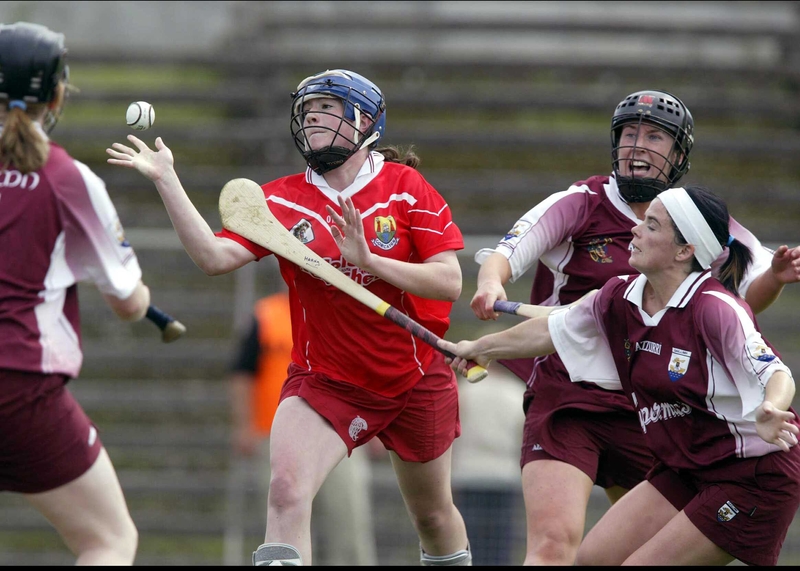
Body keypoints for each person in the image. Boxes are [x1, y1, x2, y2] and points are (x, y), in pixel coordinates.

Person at [106, 69, 472, 566]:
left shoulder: (406, 189)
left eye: (327, 108)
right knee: (285, 492)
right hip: (326, 380)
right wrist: (167, 181)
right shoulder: (279, 200)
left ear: (365, 122)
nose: (313, 117)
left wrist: (370, 261)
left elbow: (449, 281)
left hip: (415, 377)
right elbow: (214, 258)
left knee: (432, 516)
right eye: (307, 110)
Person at [469, 90, 800, 565]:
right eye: (629, 133)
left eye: (653, 136)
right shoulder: (615, 276)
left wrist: (771, 404)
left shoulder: (708, 273)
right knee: (566, 551)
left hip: (664, 418)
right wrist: (485, 319)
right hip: (574, 398)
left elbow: (763, 342)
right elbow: (546, 314)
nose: (637, 145)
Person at [0, 22, 149, 565]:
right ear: (57, 95)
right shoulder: (67, 178)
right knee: (108, 540)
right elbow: (129, 303)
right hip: (17, 386)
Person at [227, 290, 378, 566]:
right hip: (274, 437)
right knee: (282, 526)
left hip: (339, 434)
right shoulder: (266, 315)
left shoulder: (345, 309)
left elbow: (370, 370)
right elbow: (242, 373)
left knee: (348, 521)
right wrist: (243, 426)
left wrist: (375, 429)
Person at [450, 361, 525, 566]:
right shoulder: (518, 393)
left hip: (468, 474)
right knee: (499, 544)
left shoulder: (464, 391)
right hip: (504, 477)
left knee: (467, 539)